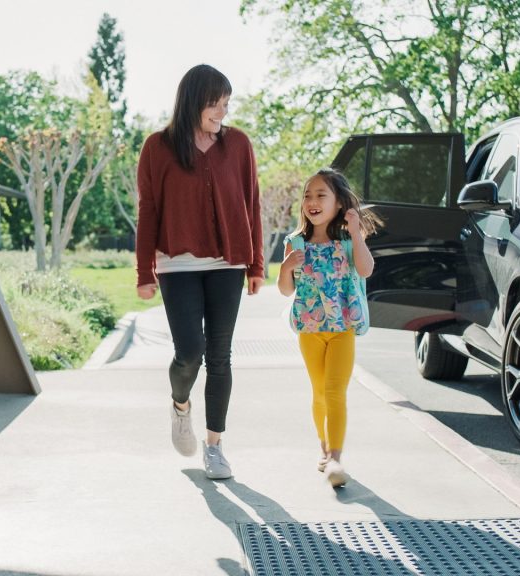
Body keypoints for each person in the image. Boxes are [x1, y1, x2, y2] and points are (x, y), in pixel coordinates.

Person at [135, 64, 265, 480]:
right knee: (189, 352)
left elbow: (252, 204)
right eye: (216, 103)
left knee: (220, 357)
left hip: (228, 263)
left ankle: (214, 447)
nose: (223, 112)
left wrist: (256, 263)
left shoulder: (239, 145)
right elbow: (149, 211)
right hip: (178, 265)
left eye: (227, 104)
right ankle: (179, 405)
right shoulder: (157, 147)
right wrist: (143, 271)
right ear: (193, 100)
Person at [277, 168, 380, 488]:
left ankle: (335, 457)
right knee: (319, 392)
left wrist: (357, 233)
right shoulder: (295, 243)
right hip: (310, 329)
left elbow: (366, 270)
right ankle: (323, 446)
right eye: (307, 195)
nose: (312, 201)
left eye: (321, 195)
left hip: (342, 328)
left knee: (335, 391)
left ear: (338, 203)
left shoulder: (349, 240)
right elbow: (285, 290)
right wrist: (284, 268)